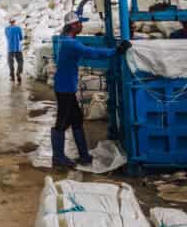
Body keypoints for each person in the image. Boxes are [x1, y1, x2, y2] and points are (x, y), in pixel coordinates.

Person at [52, 12, 131, 169]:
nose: (81, 26)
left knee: (77, 119)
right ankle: (58, 157)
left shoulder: (65, 40)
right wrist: (116, 51)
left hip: (66, 86)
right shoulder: (71, 44)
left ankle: (84, 155)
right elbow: (92, 53)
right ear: (73, 25)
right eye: (79, 23)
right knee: (62, 122)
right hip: (65, 88)